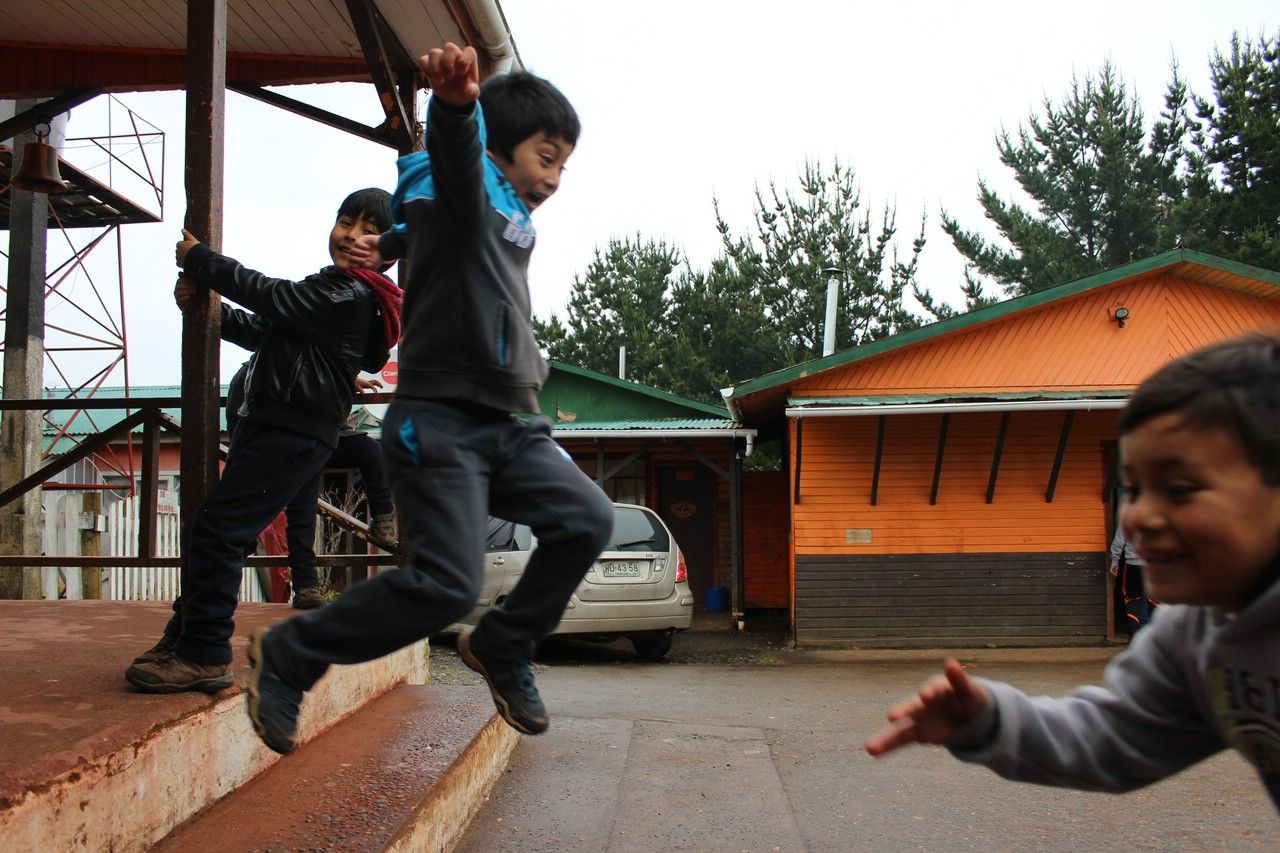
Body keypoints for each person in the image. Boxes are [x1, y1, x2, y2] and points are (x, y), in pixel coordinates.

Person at [243, 43, 614, 755]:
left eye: (564, 164)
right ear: (498, 148)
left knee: (587, 519)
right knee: (447, 585)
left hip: (508, 423)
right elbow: (453, 168)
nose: (554, 178)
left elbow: (442, 226)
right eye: (546, 157)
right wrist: (455, 107)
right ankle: (293, 653)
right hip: (440, 424)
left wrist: (397, 238)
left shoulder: (502, 211)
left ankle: (504, 641)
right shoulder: (467, 186)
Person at [864, 331, 1280, 815]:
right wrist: (989, 720)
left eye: (1180, 489)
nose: (1138, 517)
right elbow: (1114, 737)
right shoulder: (1195, 635)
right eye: (1133, 489)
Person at [124, 187, 402, 694]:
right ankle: (187, 634)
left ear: (389, 252)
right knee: (217, 528)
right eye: (346, 222)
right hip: (277, 426)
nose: (352, 236)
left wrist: (203, 262)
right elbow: (265, 330)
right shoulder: (332, 292)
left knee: (220, 529)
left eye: (370, 232)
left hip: (292, 431)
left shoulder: (348, 294)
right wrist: (205, 309)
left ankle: (204, 650)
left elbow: (272, 296)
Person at [226, 362, 399, 611]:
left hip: (317, 436)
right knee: (301, 511)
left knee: (371, 451)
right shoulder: (254, 372)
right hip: (281, 445)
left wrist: (345, 377)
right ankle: (305, 585)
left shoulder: (316, 360)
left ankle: (383, 519)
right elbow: (239, 426)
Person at [1108, 525, 1154, 632]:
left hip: (1133, 564)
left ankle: (1136, 633)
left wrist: (1115, 560)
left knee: (1133, 598)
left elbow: (1119, 539)